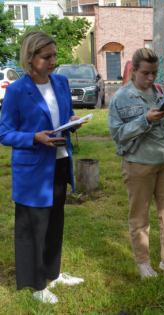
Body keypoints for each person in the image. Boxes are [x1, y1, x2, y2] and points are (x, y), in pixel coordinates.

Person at [0, 31, 84, 304]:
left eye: (54, 56)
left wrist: (72, 121)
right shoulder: (15, 91)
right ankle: (36, 286)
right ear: (30, 58)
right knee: (33, 228)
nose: (52, 61)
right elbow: (4, 133)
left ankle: (54, 273)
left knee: (54, 223)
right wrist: (34, 138)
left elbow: (65, 114)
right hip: (32, 170)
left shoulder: (61, 82)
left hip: (59, 163)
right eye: (46, 56)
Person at [108, 48, 164, 279]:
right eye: (145, 73)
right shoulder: (121, 98)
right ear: (133, 70)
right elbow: (118, 134)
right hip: (138, 164)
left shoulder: (158, 92)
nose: (150, 78)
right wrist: (144, 120)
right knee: (140, 217)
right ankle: (143, 263)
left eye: (155, 72)